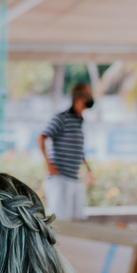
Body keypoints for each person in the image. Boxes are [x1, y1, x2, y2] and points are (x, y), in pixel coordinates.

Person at [37, 81, 94, 221]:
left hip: (74, 179)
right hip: (60, 178)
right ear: (80, 98)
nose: (91, 98)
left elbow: (78, 149)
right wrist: (48, 164)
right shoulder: (62, 118)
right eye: (88, 94)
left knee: (77, 220)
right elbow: (41, 137)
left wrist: (88, 170)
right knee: (61, 221)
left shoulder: (79, 121)